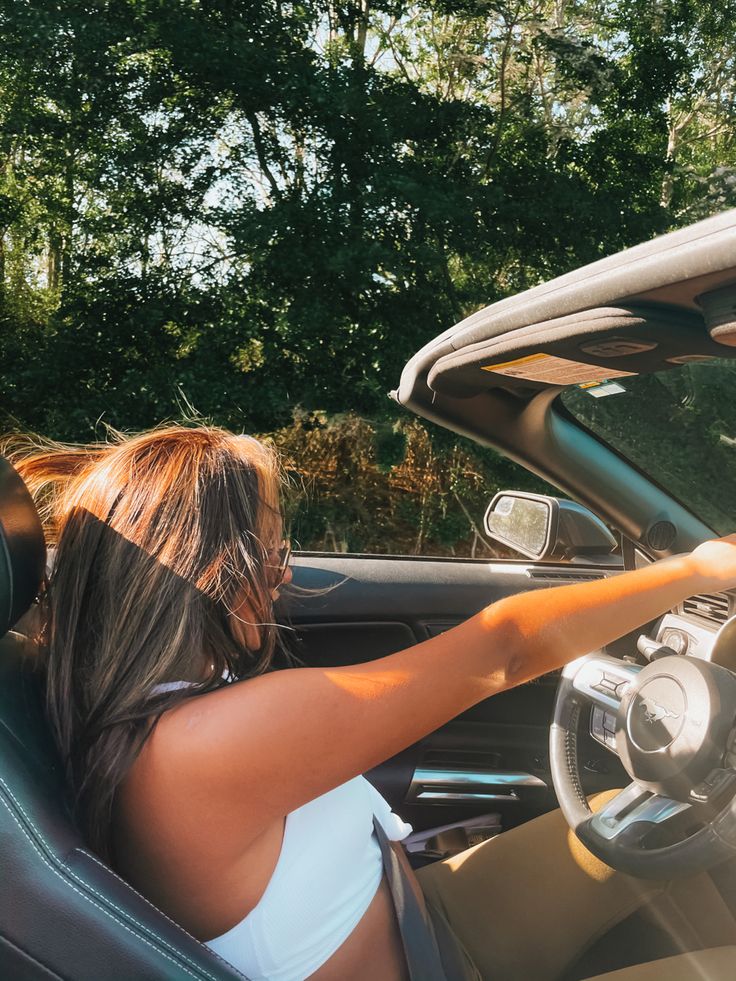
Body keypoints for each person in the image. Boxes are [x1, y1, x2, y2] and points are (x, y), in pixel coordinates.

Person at [9, 423, 736, 981]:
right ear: (212, 572)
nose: (283, 573)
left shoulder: (137, 711)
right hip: (432, 958)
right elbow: (502, 651)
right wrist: (700, 567)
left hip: (425, 919)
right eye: (270, 551)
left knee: (663, 823)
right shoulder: (207, 743)